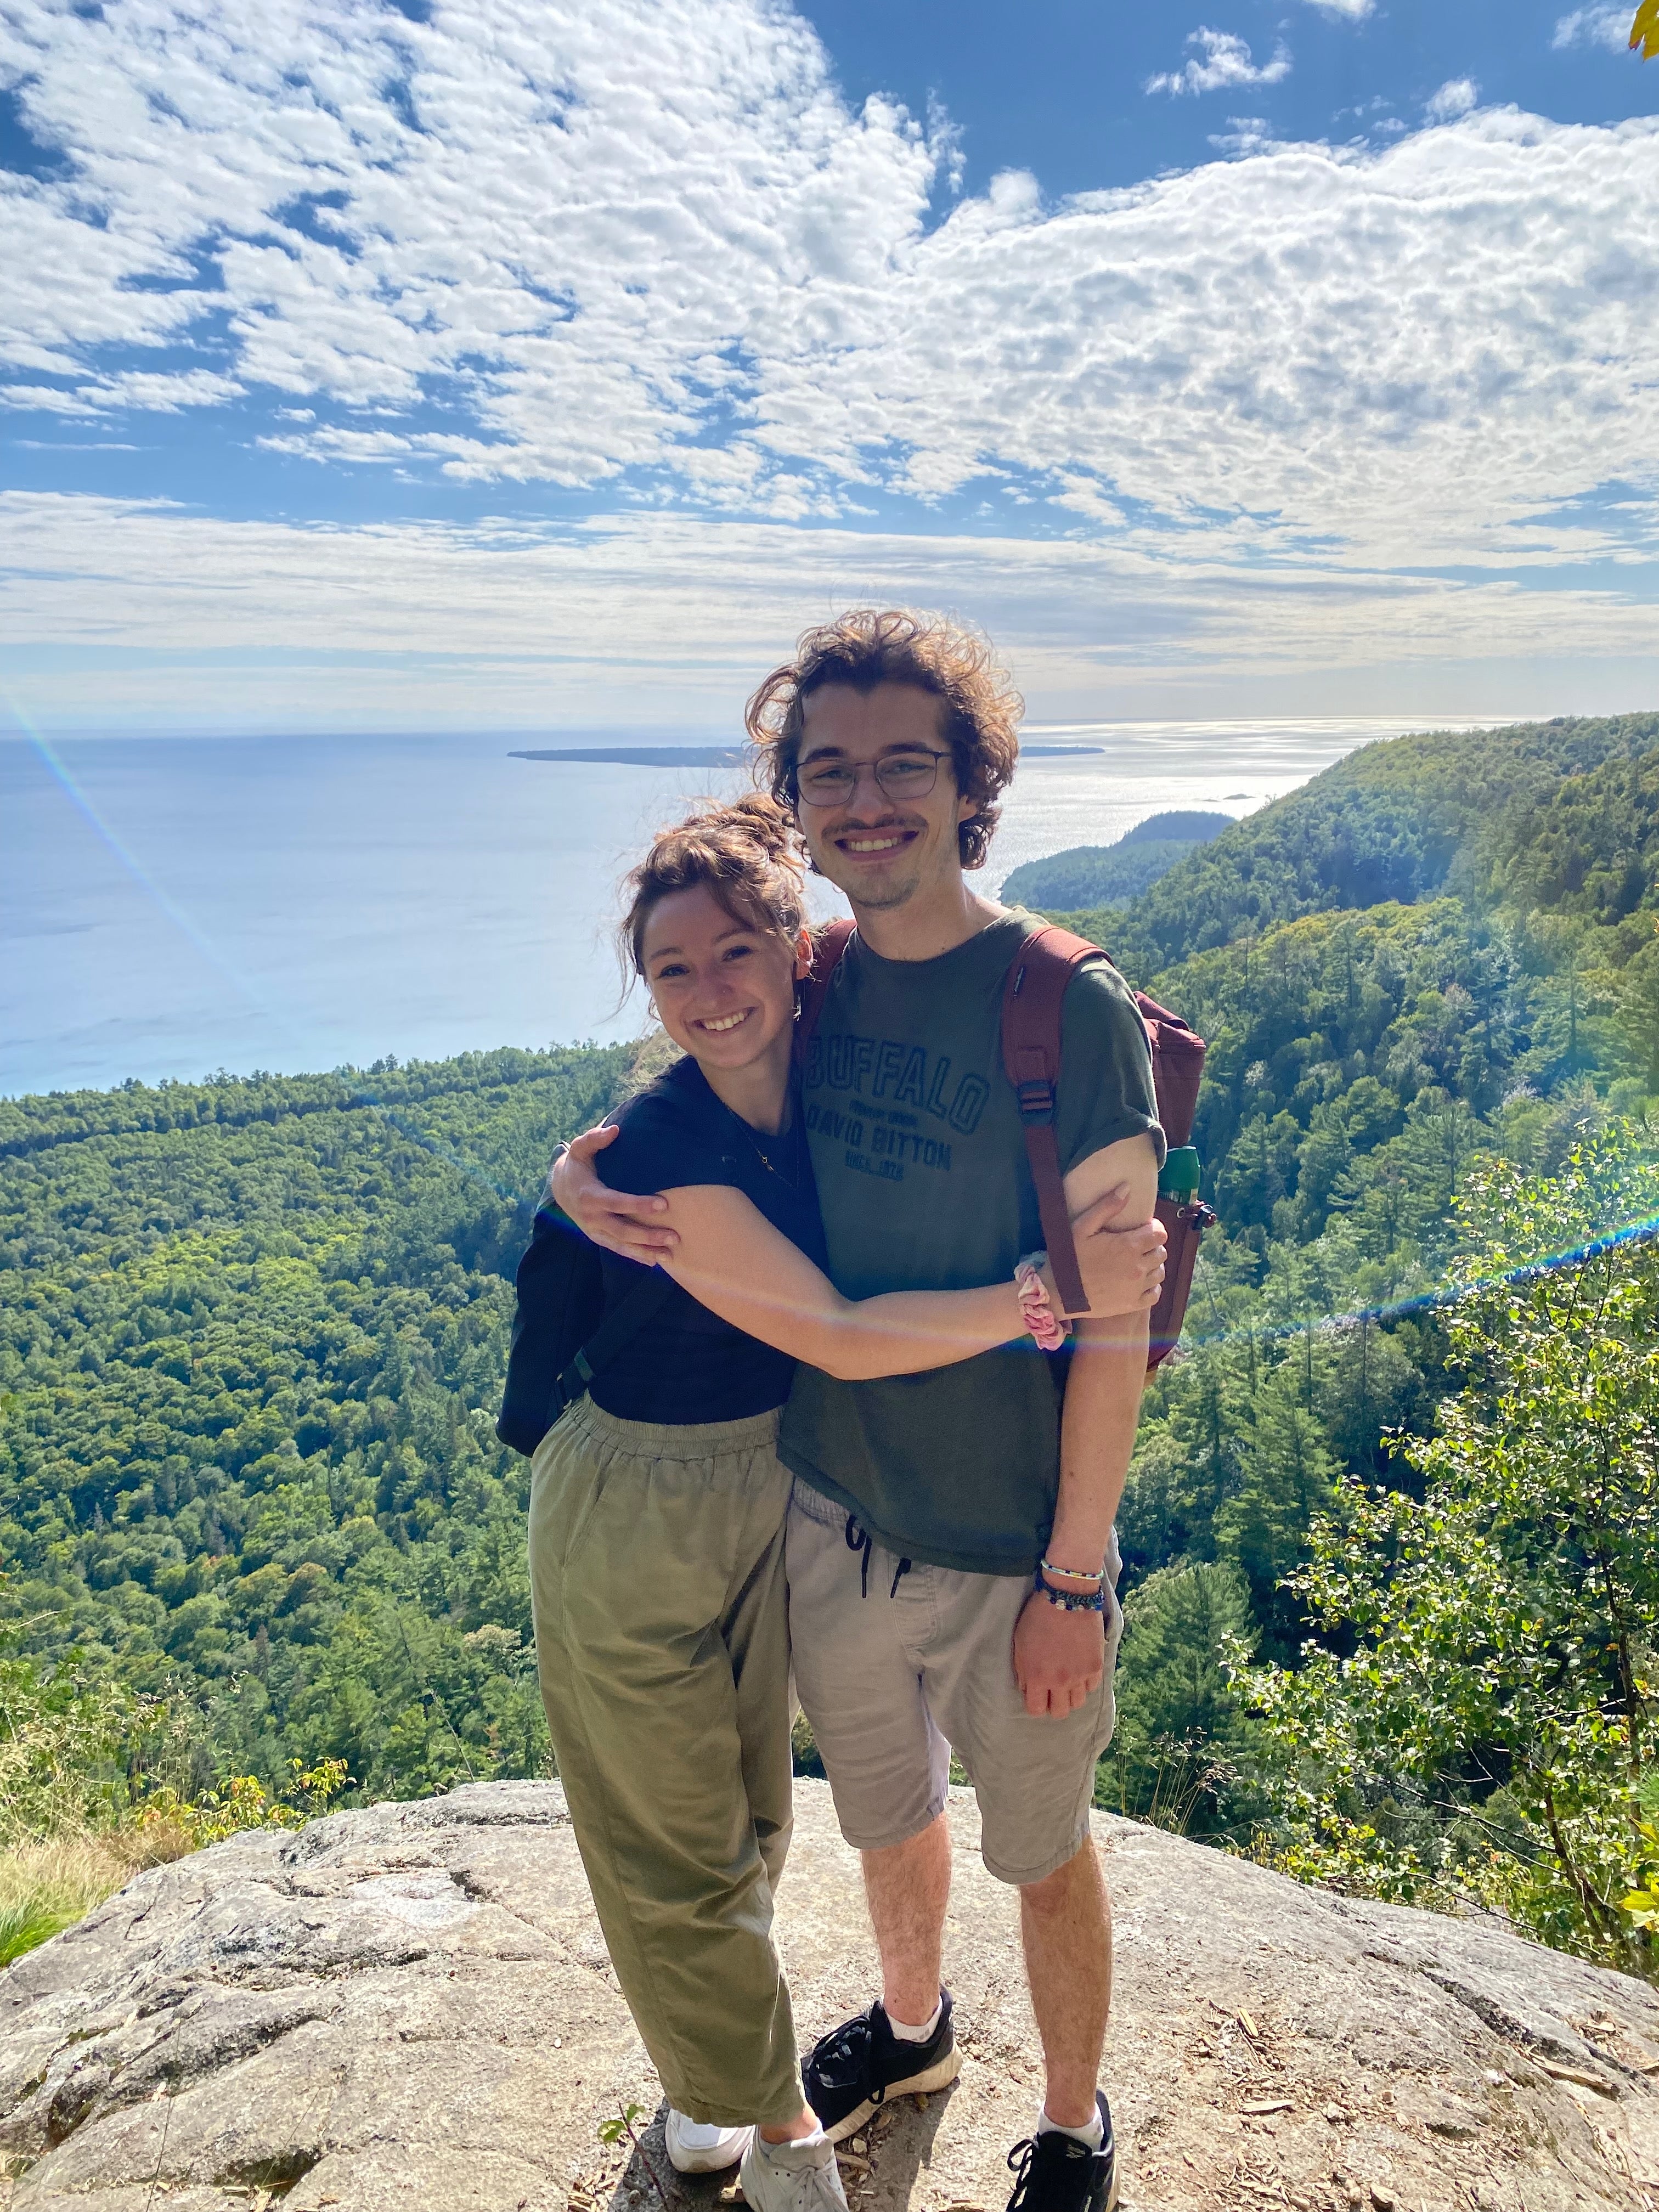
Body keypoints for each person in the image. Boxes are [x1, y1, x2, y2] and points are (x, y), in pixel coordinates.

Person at [556, 611, 1164, 2212]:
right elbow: (701, 1075)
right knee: (887, 1821)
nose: (868, 799)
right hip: (829, 1514)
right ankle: (912, 2032)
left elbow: (1115, 1316)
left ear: (972, 785)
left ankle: (1076, 2125)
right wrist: (577, 1173)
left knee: (1044, 1848)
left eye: (907, 763)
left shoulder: (1063, 1004)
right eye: (831, 770)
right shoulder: (814, 979)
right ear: (798, 802)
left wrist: (1076, 1570)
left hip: (1009, 1540)